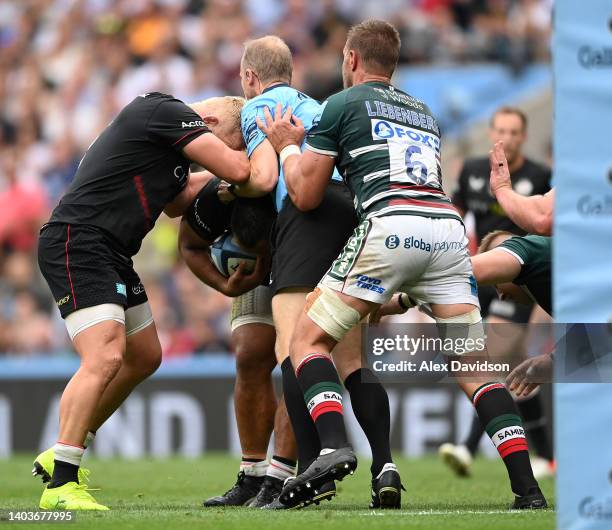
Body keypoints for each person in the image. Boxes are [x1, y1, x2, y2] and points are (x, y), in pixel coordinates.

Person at [258, 19, 547, 510]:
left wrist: (287, 146)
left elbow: (306, 195)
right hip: (448, 231)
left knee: (307, 339)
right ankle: (528, 489)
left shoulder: (342, 104)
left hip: (390, 225)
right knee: (474, 369)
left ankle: (333, 446)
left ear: (351, 59)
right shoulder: (423, 111)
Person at [34, 94, 250, 511]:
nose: (230, 152)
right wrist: (259, 161)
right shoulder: (166, 110)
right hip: (78, 241)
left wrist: (220, 185)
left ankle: (64, 446)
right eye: (231, 140)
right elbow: (239, 170)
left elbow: (178, 201)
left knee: (145, 354)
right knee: (106, 355)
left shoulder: (167, 147)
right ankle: (61, 482)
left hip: (110, 250)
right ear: (207, 121)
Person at [236, 35, 399, 509]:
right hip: (349, 214)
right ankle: (384, 466)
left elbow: (266, 176)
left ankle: (315, 470)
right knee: (349, 362)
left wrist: (228, 189)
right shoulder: (316, 104)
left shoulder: (261, 108)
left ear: (251, 77)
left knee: (293, 347)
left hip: (305, 217)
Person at [441, 108, 553, 478]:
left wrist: (401, 290)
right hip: (490, 272)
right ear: (491, 131)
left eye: (515, 130)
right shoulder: (474, 170)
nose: (507, 135)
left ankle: (468, 447)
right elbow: (455, 213)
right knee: (517, 366)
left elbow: (542, 222)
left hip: (518, 272)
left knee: (495, 355)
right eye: (501, 128)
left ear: (524, 135)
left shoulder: (540, 177)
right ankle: (546, 456)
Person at [177, 175, 298, 507]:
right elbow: (189, 245)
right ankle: (253, 474)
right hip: (256, 275)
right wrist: (223, 285)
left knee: (296, 359)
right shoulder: (217, 196)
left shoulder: (302, 192)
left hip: (304, 258)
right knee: (248, 355)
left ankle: (280, 476)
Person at [489, 141, 554, 236]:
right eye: (502, 131)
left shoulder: (542, 173)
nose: (508, 139)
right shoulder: (473, 168)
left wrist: (501, 188)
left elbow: (543, 219)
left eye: (514, 132)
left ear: (523, 136)